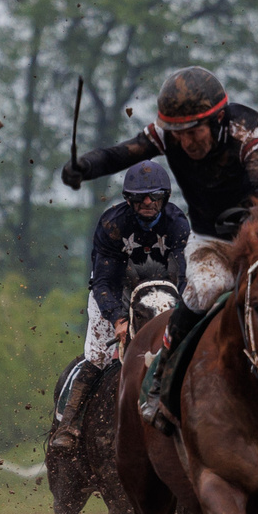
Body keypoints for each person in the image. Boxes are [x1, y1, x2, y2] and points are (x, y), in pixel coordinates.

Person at [59, 65, 258, 429]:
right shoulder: (169, 135)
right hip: (211, 240)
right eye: (178, 135)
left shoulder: (245, 128)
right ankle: (164, 371)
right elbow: (124, 153)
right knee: (205, 290)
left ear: (216, 120)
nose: (187, 143)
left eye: (194, 132)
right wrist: (84, 166)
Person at [53, 159, 188, 442]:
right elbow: (103, 281)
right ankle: (69, 423)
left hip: (162, 294)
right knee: (99, 355)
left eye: (156, 197)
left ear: (166, 198)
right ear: (129, 200)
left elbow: (185, 277)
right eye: (141, 198)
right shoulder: (112, 225)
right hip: (116, 293)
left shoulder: (177, 223)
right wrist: (117, 318)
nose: (149, 203)